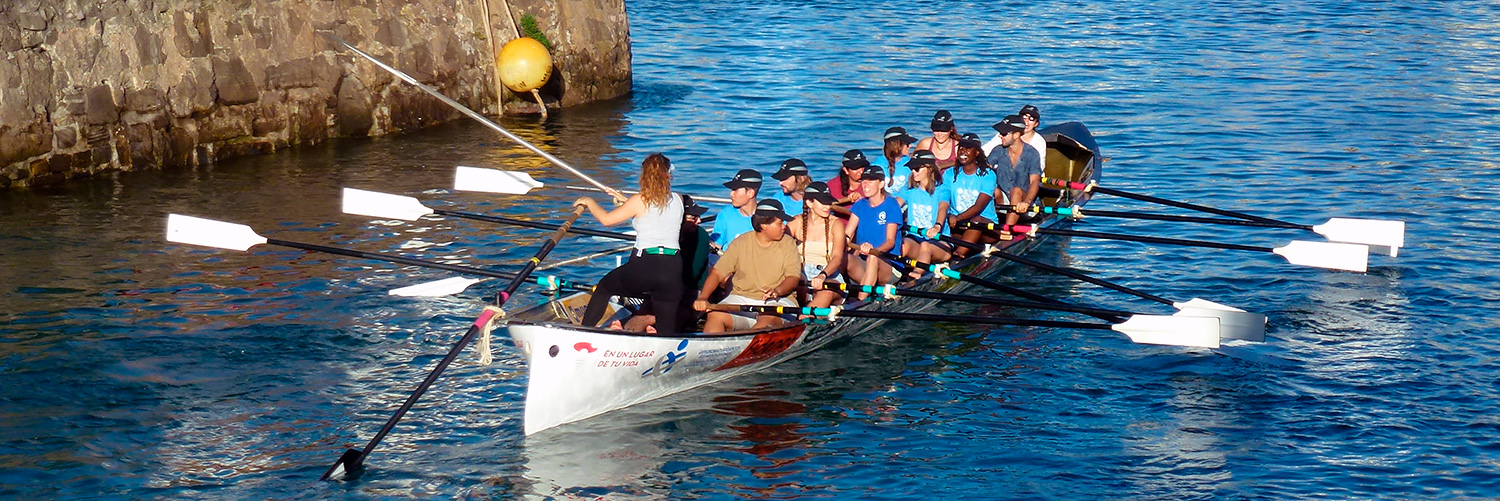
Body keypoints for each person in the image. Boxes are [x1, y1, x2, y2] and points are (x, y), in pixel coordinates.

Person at [575, 153, 686, 335]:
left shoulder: (638, 201)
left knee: (604, 288)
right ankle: (665, 345)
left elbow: (607, 220)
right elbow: (656, 212)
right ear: (669, 175)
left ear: (644, 176)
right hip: (672, 267)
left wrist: (590, 202)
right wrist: (627, 201)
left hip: (645, 266)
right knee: (666, 322)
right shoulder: (679, 199)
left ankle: (583, 331)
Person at [693, 199, 803, 333]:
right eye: (780, 223)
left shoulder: (788, 243)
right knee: (715, 315)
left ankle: (750, 342)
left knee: (767, 318)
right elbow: (717, 274)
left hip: (779, 300)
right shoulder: (741, 242)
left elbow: (793, 278)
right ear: (764, 225)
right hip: (742, 297)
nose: (784, 226)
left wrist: (777, 291)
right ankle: (712, 344)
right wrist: (703, 298)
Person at [623, 194, 713, 332]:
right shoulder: (661, 233)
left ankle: (652, 331)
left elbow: (691, 274)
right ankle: (627, 331)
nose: (699, 221)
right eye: (694, 217)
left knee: (659, 316)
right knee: (644, 314)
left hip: (691, 291)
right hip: (661, 288)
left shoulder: (700, 235)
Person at [845, 167, 904, 298]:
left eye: (871, 180)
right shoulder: (859, 205)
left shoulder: (891, 204)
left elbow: (890, 241)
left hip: (889, 264)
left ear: (881, 184)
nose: (865, 184)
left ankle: (860, 303)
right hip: (864, 262)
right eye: (864, 180)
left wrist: (874, 251)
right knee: (843, 257)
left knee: (873, 257)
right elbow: (847, 233)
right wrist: (843, 242)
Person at [790, 182, 847, 309]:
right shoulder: (796, 222)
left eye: (829, 203)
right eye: (823, 203)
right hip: (802, 276)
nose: (828, 207)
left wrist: (822, 275)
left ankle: (805, 317)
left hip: (829, 276)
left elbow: (837, 257)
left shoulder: (836, 224)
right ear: (809, 203)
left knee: (826, 292)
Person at [892, 150, 953, 265]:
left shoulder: (942, 189)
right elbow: (895, 205)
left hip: (939, 242)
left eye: (916, 168)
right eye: (912, 168)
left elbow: (943, 208)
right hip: (915, 239)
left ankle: (916, 274)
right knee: (902, 245)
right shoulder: (909, 189)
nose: (913, 171)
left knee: (926, 245)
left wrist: (937, 226)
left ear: (930, 168)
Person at [946, 134, 998, 257]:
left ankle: (959, 254)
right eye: (961, 148)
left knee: (976, 220)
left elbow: (978, 207)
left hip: (985, 227)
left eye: (968, 148)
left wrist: (958, 218)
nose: (963, 151)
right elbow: (942, 200)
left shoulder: (988, 175)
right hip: (958, 225)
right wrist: (948, 216)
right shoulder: (949, 174)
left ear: (977, 153)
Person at [989, 115, 1044, 228]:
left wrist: (1027, 202)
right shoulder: (998, 150)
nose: (1000, 136)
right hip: (1004, 201)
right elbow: (984, 170)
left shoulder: (1032, 154)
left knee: (1016, 191)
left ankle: (1006, 230)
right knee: (992, 188)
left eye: (1004, 133)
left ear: (1017, 135)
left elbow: (1034, 182)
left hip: (1025, 205)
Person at [709, 169, 762, 250]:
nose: (731, 194)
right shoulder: (726, 214)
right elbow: (715, 245)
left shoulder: (765, 218)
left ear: (750, 193)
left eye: (735, 190)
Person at [880, 127, 917, 193]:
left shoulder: (910, 163)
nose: (911, 146)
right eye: (907, 143)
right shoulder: (878, 165)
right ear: (896, 145)